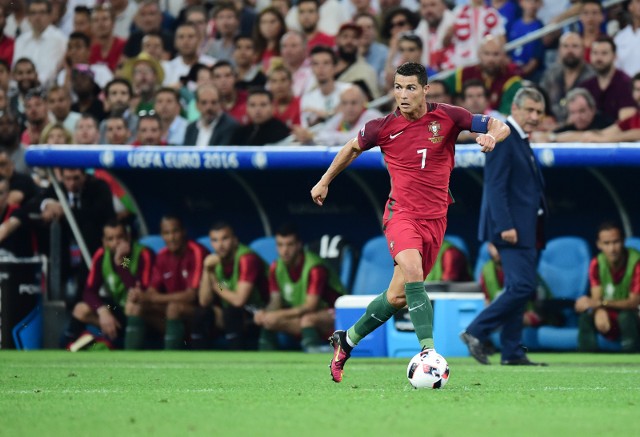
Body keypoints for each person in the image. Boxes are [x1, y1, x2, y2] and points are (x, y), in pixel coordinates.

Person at [310, 62, 509, 382]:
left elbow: (499, 125)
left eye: (411, 88)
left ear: (425, 90)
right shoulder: (381, 127)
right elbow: (351, 148)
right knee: (414, 272)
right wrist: (325, 181)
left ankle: (346, 341)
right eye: (398, 87)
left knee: (398, 296)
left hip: (436, 218)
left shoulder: (449, 116)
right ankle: (428, 351)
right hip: (399, 215)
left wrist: (492, 138)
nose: (403, 94)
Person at [461, 87, 548, 366]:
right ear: (516, 109)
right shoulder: (506, 136)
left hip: (525, 227)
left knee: (518, 287)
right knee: (523, 287)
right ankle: (475, 331)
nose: (534, 116)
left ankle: (512, 352)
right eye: (530, 110)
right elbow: (495, 186)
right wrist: (504, 226)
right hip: (512, 229)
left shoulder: (520, 138)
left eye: (539, 111)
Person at [61, 219, 154, 349]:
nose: (116, 242)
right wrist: (103, 311)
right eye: (110, 239)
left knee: (132, 304)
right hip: (117, 309)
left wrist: (120, 264)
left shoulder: (141, 254)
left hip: (141, 312)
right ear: (104, 242)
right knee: (81, 308)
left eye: (120, 237)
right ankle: (66, 348)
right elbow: (89, 291)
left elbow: (137, 290)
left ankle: (130, 350)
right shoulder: (101, 255)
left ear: (128, 237)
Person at [254, 223, 345, 352]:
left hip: (336, 313)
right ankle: (267, 362)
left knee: (308, 320)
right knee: (269, 321)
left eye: (289, 244)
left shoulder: (314, 268)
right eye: (280, 245)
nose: (285, 250)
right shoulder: (276, 267)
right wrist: (265, 313)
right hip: (303, 315)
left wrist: (277, 314)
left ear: (298, 245)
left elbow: (310, 306)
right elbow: (275, 301)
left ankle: (322, 353)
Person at [124, 215, 208, 350]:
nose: (171, 237)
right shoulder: (161, 256)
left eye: (175, 232)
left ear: (184, 232)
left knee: (173, 308)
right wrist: (140, 296)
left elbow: (192, 295)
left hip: (199, 313)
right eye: (166, 233)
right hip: (167, 311)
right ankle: (128, 361)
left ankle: (172, 357)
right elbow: (152, 289)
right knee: (135, 306)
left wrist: (152, 297)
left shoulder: (196, 252)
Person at [197, 221, 269, 350]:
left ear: (235, 240)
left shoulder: (247, 259)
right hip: (233, 313)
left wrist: (215, 284)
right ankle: (197, 360)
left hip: (259, 313)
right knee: (202, 313)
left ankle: (238, 358)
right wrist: (207, 270)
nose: (220, 245)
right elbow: (204, 301)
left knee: (231, 313)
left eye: (225, 239)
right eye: (215, 240)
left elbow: (239, 300)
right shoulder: (214, 262)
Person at [575, 221, 640, 352]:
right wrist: (597, 310)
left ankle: (632, 357)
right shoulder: (596, 263)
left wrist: (602, 304)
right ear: (599, 245)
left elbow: (634, 302)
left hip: (633, 314)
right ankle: (586, 361)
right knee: (585, 318)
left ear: (623, 241)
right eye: (607, 243)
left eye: (616, 242)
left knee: (626, 317)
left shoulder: (636, 261)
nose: (612, 249)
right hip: (610, 312)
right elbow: (596, 299)